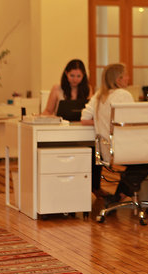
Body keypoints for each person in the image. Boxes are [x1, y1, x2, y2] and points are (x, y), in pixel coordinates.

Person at [81, 63, 148, 205]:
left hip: (106, 150)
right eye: (126, 75)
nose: (128, 78)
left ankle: (119, 193)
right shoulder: (123, 95)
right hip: (122, 150)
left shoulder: (98, 96)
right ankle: (123, 192)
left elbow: (84, 119)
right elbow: (132, 122)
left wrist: (101, 121)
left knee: (143, 155)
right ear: (118, 79)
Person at [41, 59, 106, 198]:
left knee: (95, 149)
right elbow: (48, 110)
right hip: (62, 130)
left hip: (82, 129)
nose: (75, 79)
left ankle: (95, 187)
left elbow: (90, 111)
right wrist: (42, 117)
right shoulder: (57, 88)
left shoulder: (87, 88)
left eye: (78, 76)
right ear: (66, 73)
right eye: (72, 75)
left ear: (83, 76)